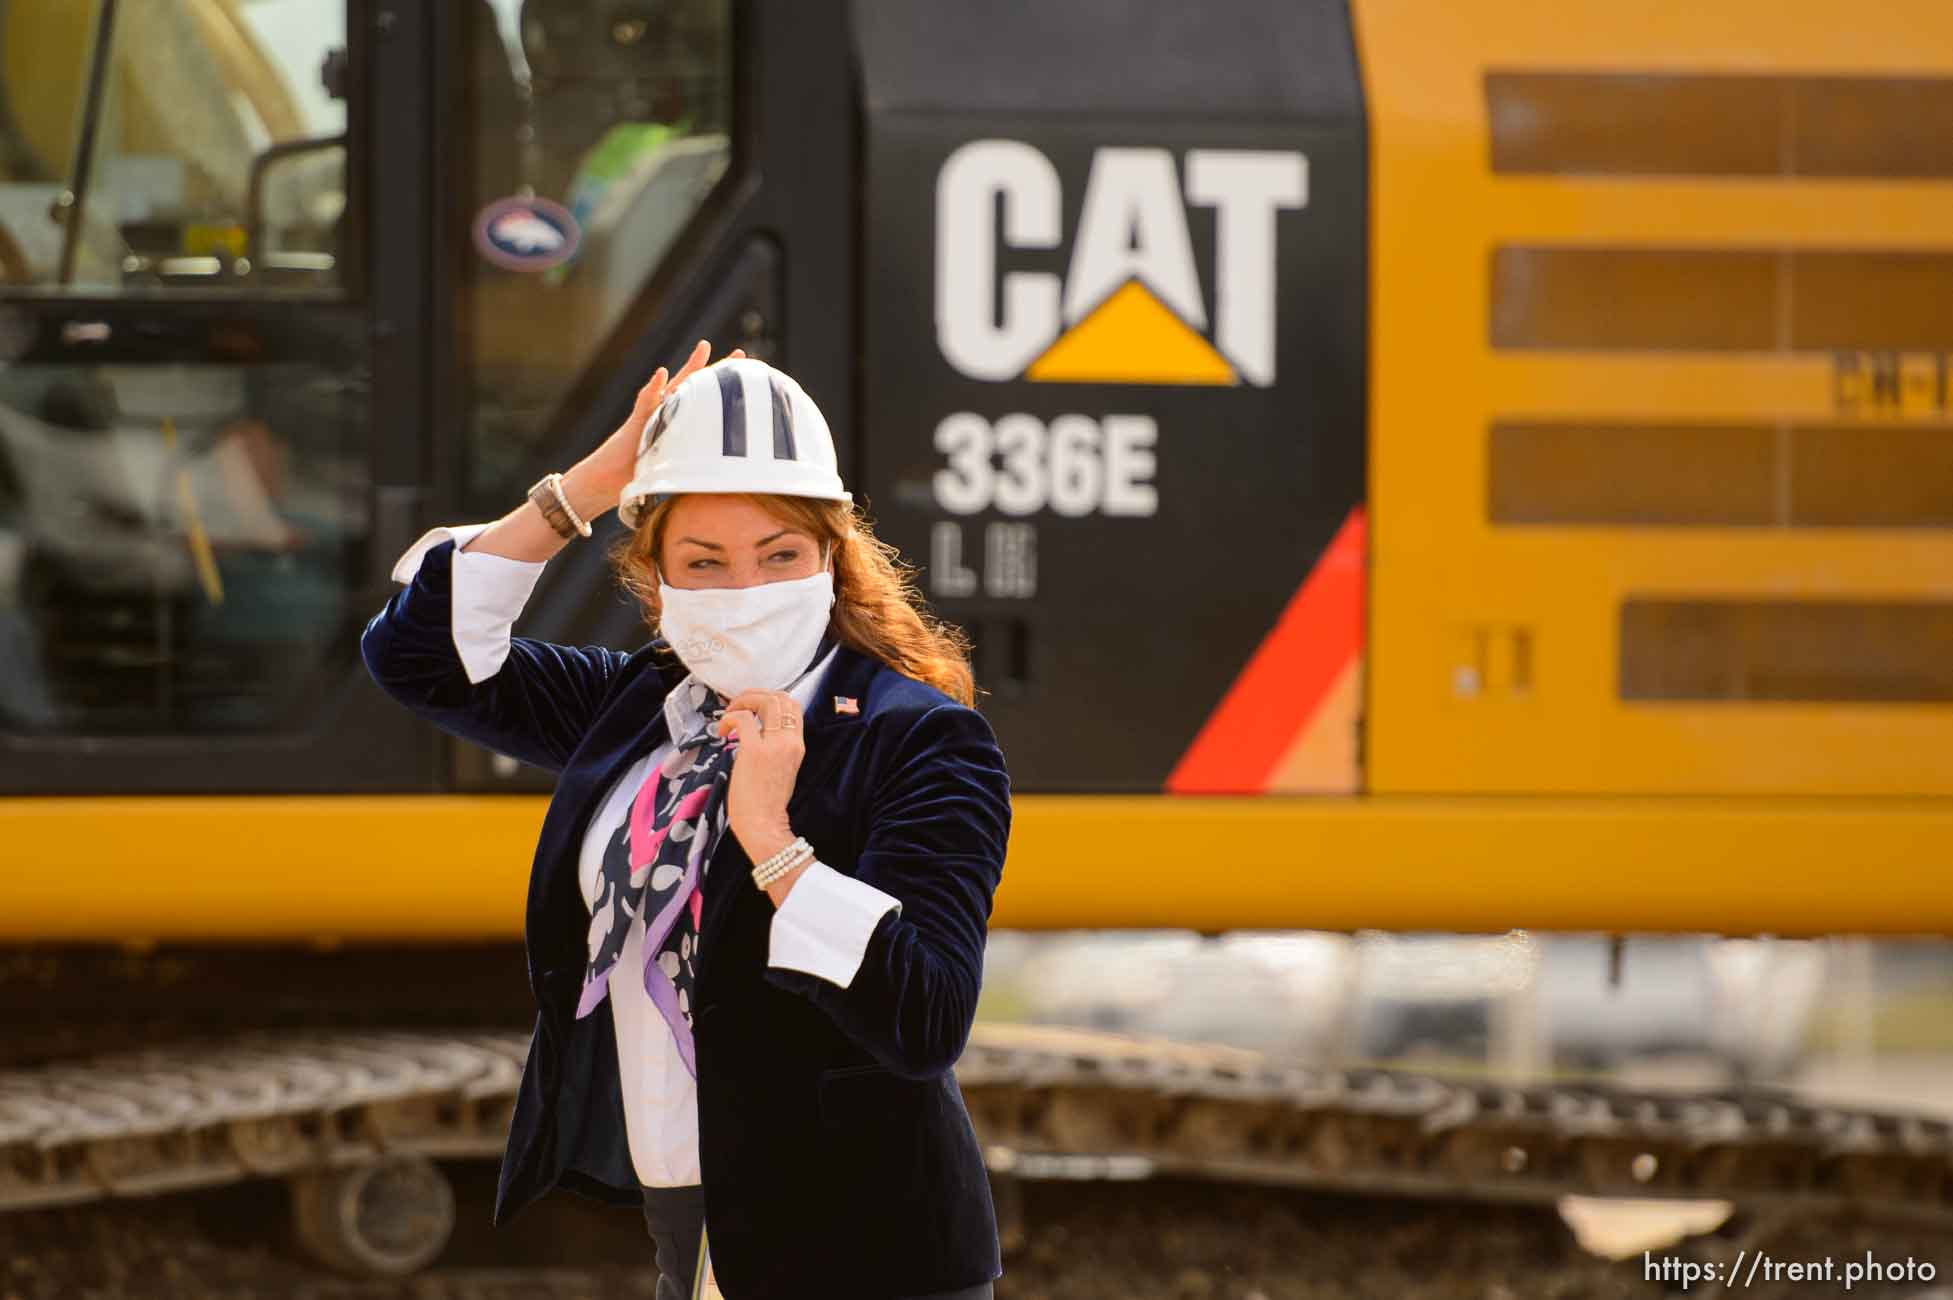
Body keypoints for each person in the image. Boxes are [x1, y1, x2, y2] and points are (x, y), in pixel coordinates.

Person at [360, 342, 1008, 1299]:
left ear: (831, 557)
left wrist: (773, 844)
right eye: (702, 561)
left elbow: (925, 1019)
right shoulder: (644, 707)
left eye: (779, 555)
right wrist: (586, 488)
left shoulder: (920, 739)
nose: (744, 590)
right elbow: (422, 658)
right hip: (693, 1221)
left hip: (867, 1246)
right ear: (654, 580)